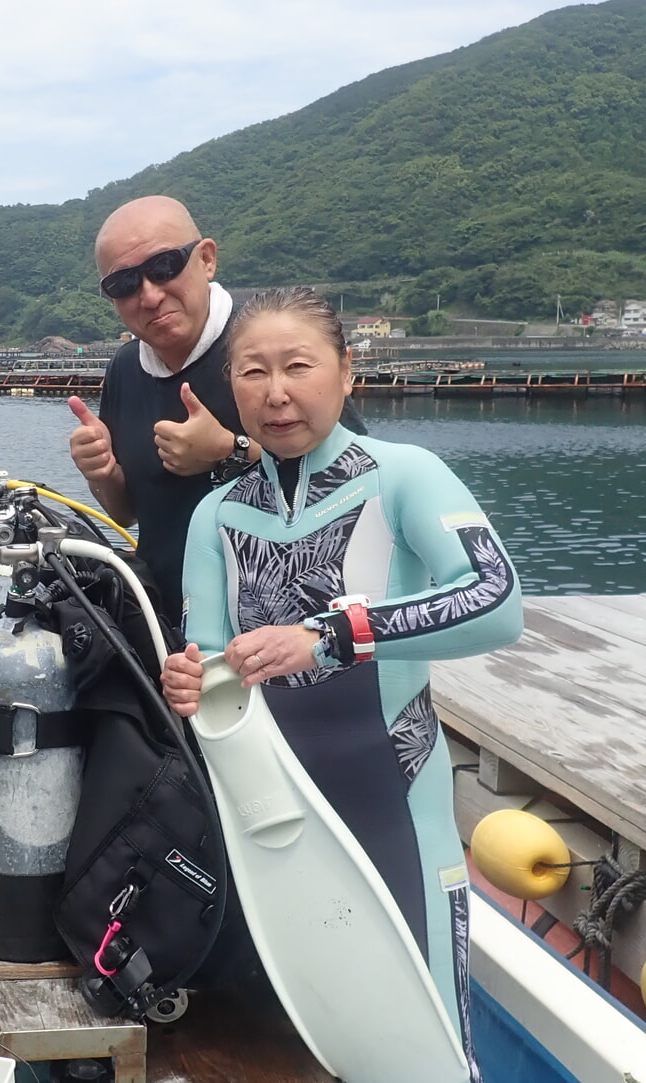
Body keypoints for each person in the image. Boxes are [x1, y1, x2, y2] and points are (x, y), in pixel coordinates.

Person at [158, 286, 522, 1076]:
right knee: (310, 1042)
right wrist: (189, 682)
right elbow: (216, 676)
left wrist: (334, 635)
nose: (276, 391)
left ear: (348, 372)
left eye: (299, 366)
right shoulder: (215, 515)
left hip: (396, 811)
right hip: (279, 831)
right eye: (253, 372)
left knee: (426, 1052)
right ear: (232, 387)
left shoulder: (404, 475)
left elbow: (497, 599)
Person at [67, 195, 368, 626]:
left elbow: (362, 475)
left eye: (164, 266)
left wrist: (229, 450)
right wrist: (102, 473)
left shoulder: (263, 343)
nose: (149, 295)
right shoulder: (124, 368)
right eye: (125, 284)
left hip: (288, 627)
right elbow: (128, 512)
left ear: (206, 259)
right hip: (170, 626)